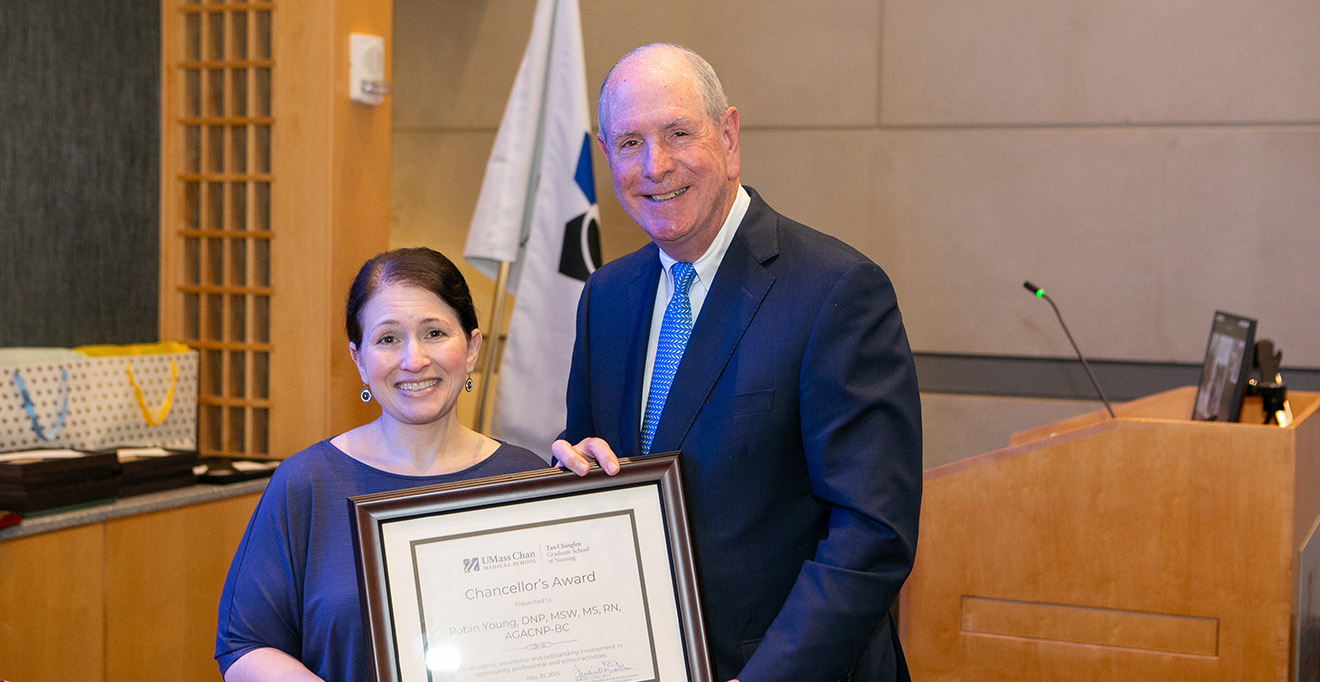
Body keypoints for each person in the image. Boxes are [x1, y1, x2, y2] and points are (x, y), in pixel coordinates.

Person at [552, 44, 922, 682]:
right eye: (630, 142)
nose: (655, 165)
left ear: (727, 137)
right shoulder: (605, 298)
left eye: (677, 134)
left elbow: (871, 535)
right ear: (605, 154)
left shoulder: (837, 291)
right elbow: (599, 472)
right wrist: (568, 480)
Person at [215, 248, 547, 682]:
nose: (414, 360)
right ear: (359, 359)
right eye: (388, 339)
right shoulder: (307, 483)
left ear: (471, 348)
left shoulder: (527, 479)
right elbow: (244, 646)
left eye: (434, 333)